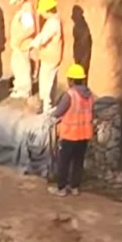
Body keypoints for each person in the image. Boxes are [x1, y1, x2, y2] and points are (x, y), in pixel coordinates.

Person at [49, 64, 94, 196]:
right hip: (84, 134)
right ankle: (75, 187)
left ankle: (61, 188)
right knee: (78, 162)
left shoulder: (70, 95)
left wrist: (51, 115)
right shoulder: (89, 95)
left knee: (64, 162)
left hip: (70, 135)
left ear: (72, 80)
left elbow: (58, 112)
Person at [29, 0, 63, 113]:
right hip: (49, 57)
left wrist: (32, 45)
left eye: (42, 11)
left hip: (50, 58)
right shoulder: (53, 21)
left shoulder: (53, 23)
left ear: (48, 10)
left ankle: (47, 110)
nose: (41, 14)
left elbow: (43, 37)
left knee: (46, 86)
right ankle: (49, 107)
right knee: (49, 83)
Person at [8, 0, 36, 99]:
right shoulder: (24, 10)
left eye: (16, 1)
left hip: (22, 46)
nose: (15, 3)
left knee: (22, 67)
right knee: (17, 66)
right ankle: (19, 87)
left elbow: (30, 29)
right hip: (18, 45)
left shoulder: (26, 12)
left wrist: (19, 40)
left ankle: (24, 90)